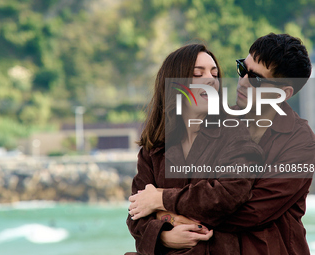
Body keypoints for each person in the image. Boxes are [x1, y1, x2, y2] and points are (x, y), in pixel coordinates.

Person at [130, 33, 315, 255]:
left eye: (256, 79)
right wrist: (164, 236)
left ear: (282, 93)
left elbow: (251, 211)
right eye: (242, 69)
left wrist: (165, 207)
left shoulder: (301, 143)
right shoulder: (213, 122)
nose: (243, 82)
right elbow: (140, 209)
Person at [126, 43, 264, 255]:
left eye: (214, 73)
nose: (210, 79)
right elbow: (136, 212)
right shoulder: (155, 146)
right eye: (198, 74)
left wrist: (159, 200)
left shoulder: (234, 132)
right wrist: (165, 236)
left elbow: (228, 195)